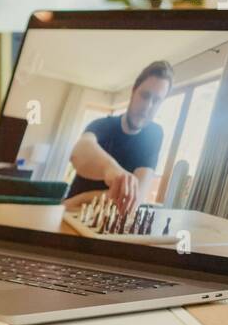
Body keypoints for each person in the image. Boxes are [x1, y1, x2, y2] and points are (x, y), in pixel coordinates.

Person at [65, 60, 173, 212]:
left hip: (94, 212)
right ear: (133, 91)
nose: (147, 106)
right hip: (73, 212)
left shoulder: (154, 134)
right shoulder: (101, 124)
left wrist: (82, 198)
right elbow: (79, 152)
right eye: (144, 95)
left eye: (156, 100)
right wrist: (112, 169)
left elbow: (135, 198)